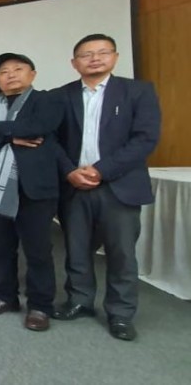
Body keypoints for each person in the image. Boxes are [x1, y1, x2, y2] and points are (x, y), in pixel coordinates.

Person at [53, 34, 161, 341]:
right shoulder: (61, 95)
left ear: (114, 57)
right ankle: (80, 300)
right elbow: (52, 141)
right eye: (86, 55)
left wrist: (101, 170)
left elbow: (145, 138)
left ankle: (121, 313)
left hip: (119, 185)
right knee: (76, 248)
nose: (94, 58)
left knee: (121, 252)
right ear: (75, 63)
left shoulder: (137, 91)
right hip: (74, 185)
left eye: (102, 52)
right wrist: (70, 171)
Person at [0, 53, 63, 332]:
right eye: (4, 72)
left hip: (33, 188)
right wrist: (11, 137)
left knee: (38, 250)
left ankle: (40, 306)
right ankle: (6, 296)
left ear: (32, 74)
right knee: (1, 247)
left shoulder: (46, 100)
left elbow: (38, 128)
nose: (11, 75)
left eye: (18, 69)